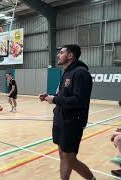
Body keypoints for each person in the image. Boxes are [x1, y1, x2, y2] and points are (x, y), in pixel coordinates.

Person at [39, 45, 96, 180]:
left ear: (70, 56)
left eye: (61, 52)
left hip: (72, 122)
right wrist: (51, 96)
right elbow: (64, 95)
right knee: (62, 155)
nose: (58, 55)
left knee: (70, 159)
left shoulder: (81, 73)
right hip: (60, 119)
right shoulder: (66, 72)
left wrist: (55, 99)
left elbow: (79, 101)